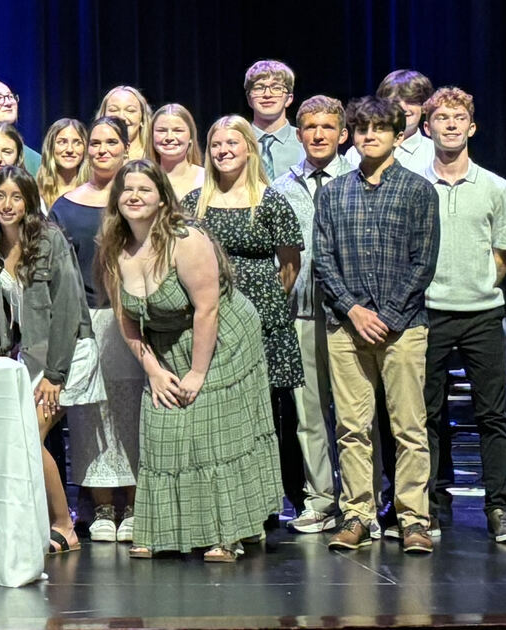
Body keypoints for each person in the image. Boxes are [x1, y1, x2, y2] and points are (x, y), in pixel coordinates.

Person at [100, 160, 282, 563]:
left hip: (222, 337)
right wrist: (153, 370)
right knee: (163, 429)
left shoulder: (187, 239)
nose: (134, 196)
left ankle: (229, 532)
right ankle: (161, 530)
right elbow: (126, 319)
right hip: (164, 344)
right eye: (126, 190)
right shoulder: (115, 247)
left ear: (163, 199)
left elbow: (207, 309)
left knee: (213, 429)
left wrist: (198, 372)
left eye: (144, 189)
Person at [316, 97, 440, 555]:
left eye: (379, 129)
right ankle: (358, 514)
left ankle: (413, 519)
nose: (370, 136)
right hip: (346, 327)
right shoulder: (333, 192)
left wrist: (386, 315)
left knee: (408, 427)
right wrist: (353, 310)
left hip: (403, 327)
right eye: (362, 128)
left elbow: (422, 262)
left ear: (398, 135)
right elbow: (323, 260)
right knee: (352, 427)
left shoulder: (417, 190)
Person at [184, 115, 306, 523]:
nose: (223, 151)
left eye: (232, 143)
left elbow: (290, 264)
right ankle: (217, 502)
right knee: (217, 412)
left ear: (249, 149)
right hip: (208, 318)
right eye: (216, 144)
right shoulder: (193, 202)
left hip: (261, 320)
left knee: (266, 414)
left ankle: (266, 503)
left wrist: (261, 303)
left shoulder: (269, 200)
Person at [414, 87, 506, 544]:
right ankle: (434, 505)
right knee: (427, 414)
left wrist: (478, 288)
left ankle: (499, 508)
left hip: (481, 313)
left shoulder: (495, 186)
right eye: (442, 118)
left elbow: (503, 255)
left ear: (472, 126)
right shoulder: (413, 181)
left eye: (460, 117)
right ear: (427, 127)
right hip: (429, 311)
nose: (451, 125)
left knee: (492, 414)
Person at [0, 166, 102, 553]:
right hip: (32, 358)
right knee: (22, 436)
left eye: (16, 197)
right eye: (0, 196)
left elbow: (67, 310)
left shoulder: (49, 240)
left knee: (31, 435)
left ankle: (65, 525)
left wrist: (55, 375)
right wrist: (0, 361)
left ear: (30, 201)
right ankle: (38, 518)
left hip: (67, 354)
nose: (7, 204)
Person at [51, 116, 144, 543]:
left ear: (127, 148)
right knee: (91, 413)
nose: (102, 149)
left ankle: (133, 502)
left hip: (131, 318)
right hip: (86, 319)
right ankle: (102, 504)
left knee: (130, 412)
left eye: (111, 143)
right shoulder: (66, 205)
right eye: (96, 143)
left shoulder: (138, 198)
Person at [265, 95, 355, 534]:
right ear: (298, 134)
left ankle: (361, 502)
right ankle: (320, 500)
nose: (319, 135)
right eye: (310, 128)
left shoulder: (359, 180)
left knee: (358, 415)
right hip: (301, 314)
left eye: (327, 127)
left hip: (350, 316)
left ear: (343, 134)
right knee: (309, 415)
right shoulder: (280, 187)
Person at [344, 70, 435, 175]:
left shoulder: (433, 152)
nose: (403, 108)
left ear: (424, 106)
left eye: (411, 101)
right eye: (395, 102)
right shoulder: (357, 151)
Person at [246, 60, 304, 182]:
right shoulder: (236, 142)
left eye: (277, 88)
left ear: (289, 99)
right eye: (259, 88)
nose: (267, 94)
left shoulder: (304, 142)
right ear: (249, 99)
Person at [150, 104, 206, 200]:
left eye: (178, 131)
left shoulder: (206, 178)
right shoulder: (142, 178)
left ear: (191, 137)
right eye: (161, 131)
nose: (169, 137)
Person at [35, 118, 87, 209]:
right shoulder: (35, 192)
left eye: (77, 143)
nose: (70, 149)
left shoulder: (94, 191)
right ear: (51, 147)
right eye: (62, 142)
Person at [98, 85, 152, 161]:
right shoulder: (93, 157)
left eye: (130, 110)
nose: (121, 117)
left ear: (142, 118)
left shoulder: (155, 157)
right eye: (113, 110)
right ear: (103, 116)